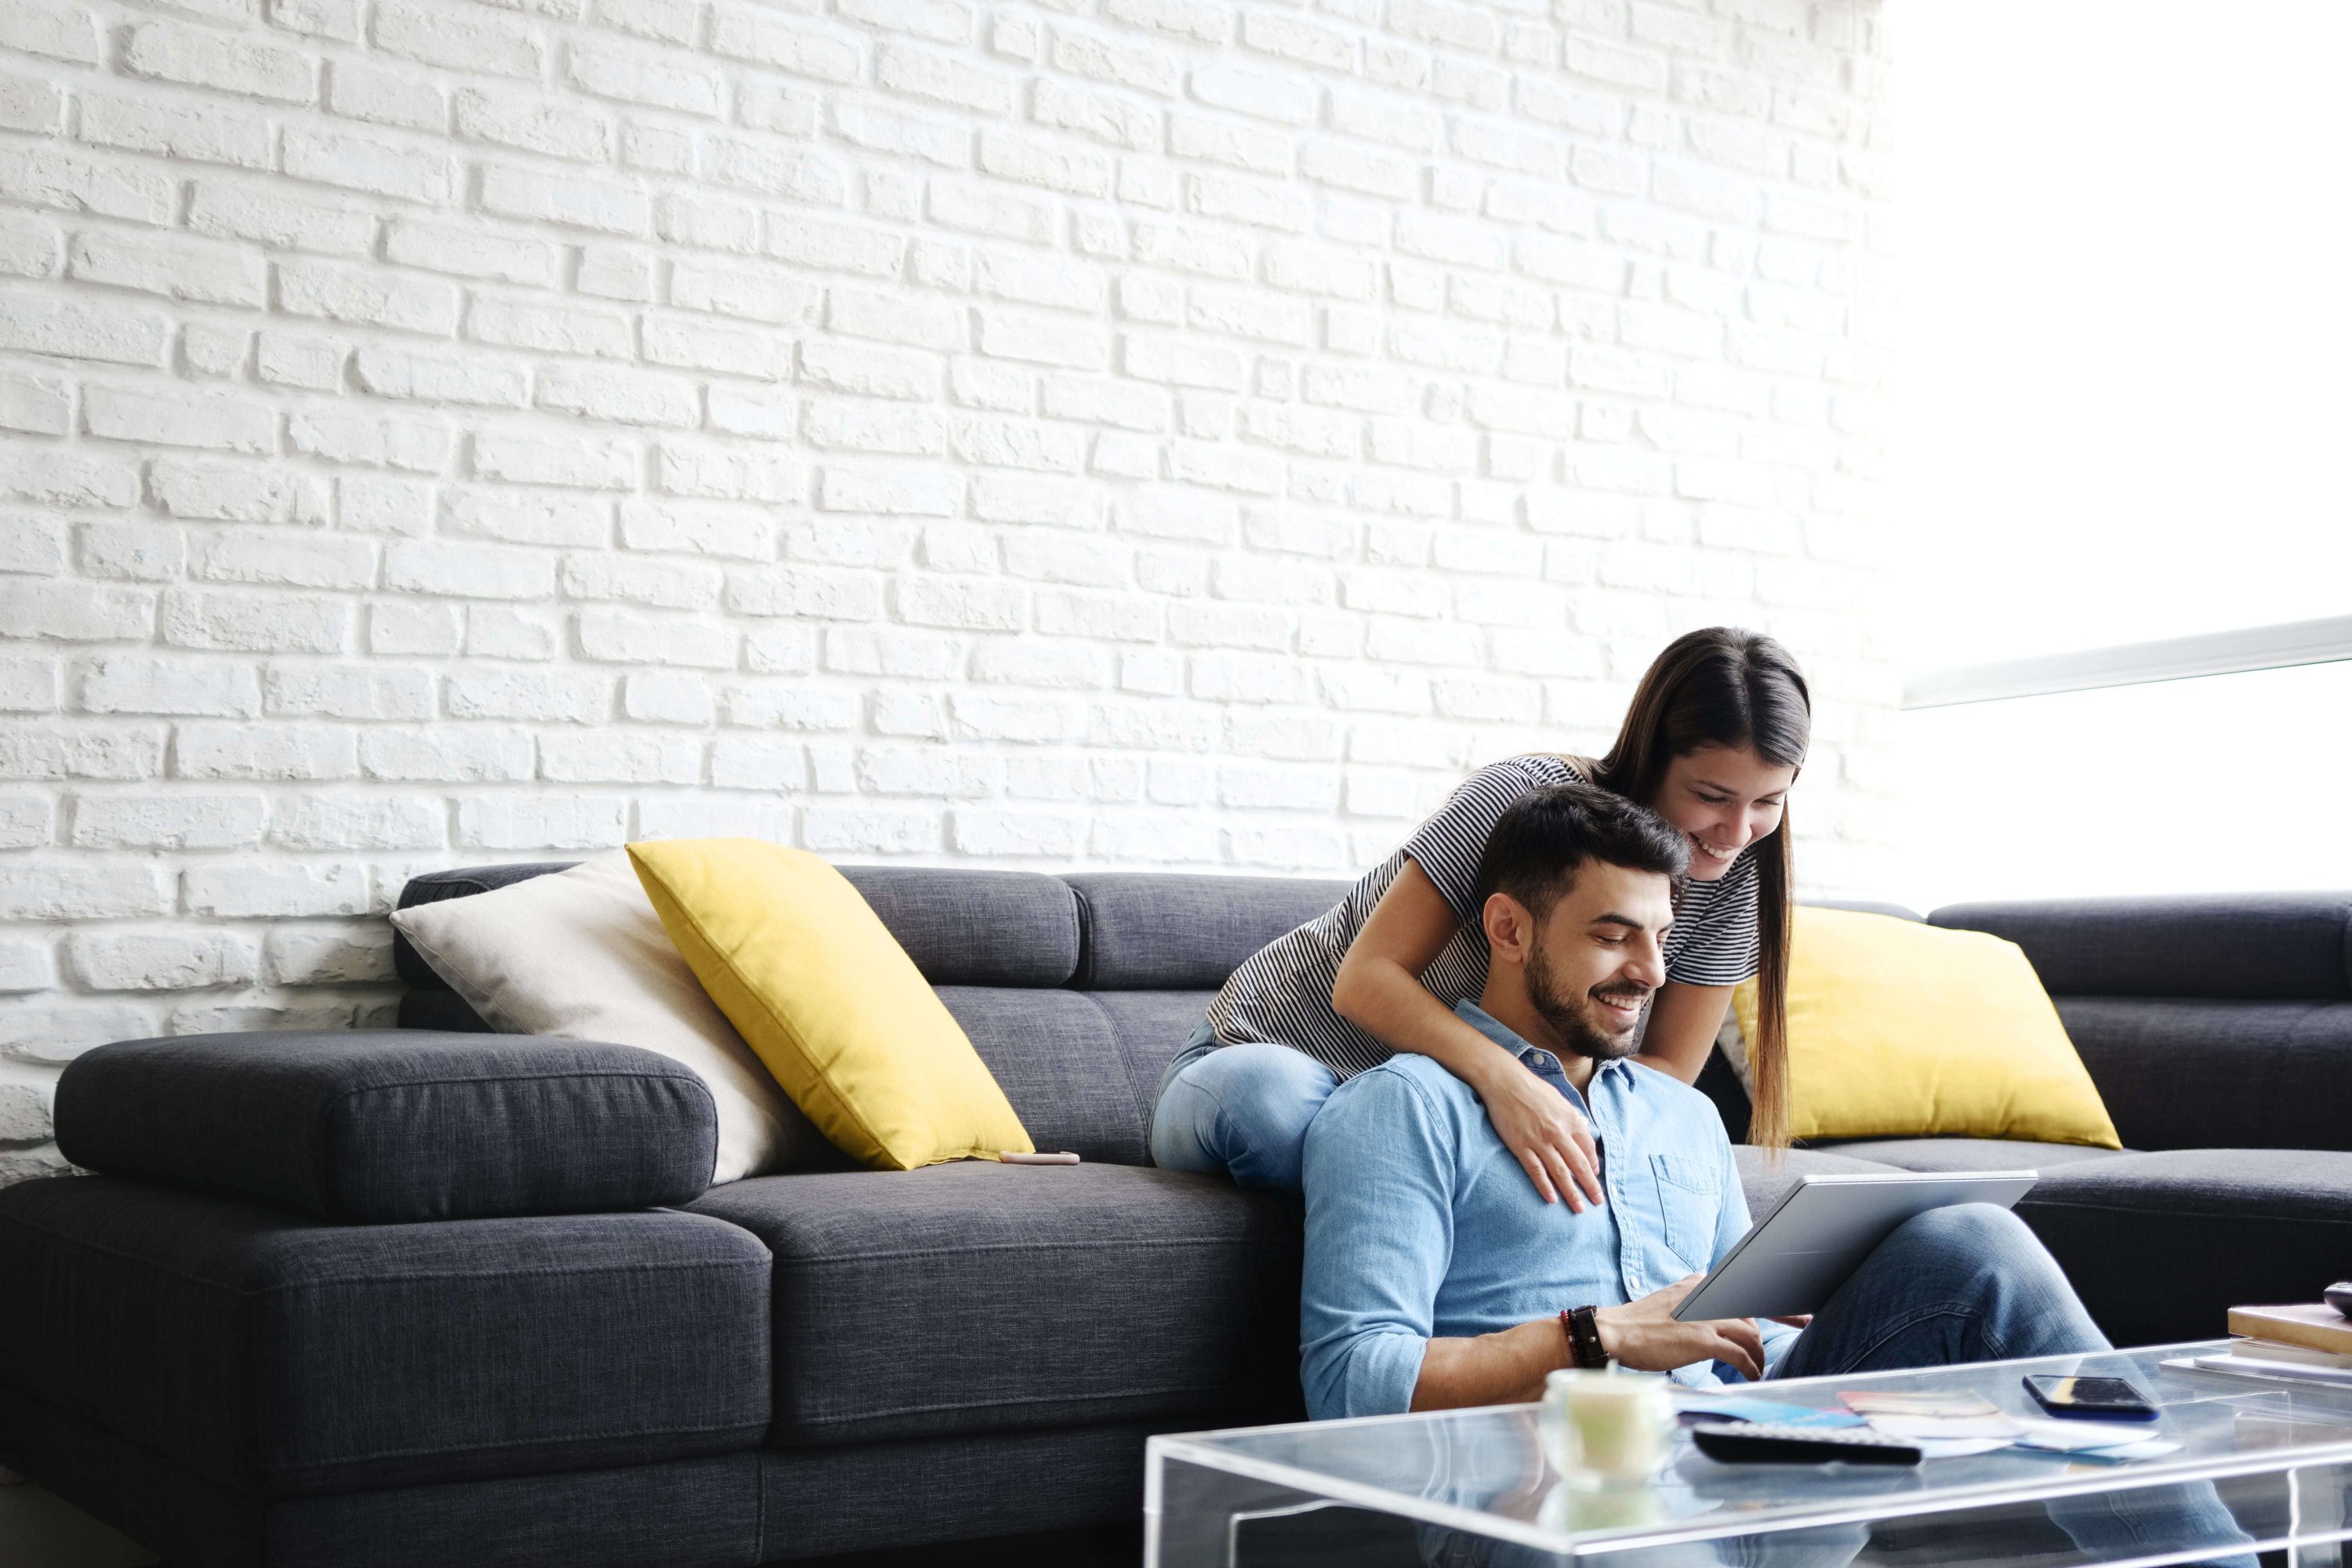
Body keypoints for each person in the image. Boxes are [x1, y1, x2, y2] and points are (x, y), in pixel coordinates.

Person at [1299, 785, 2254, 1568]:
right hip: (1564, 1496)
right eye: (1612, 934)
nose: (1649, 970)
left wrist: (1814, 1309)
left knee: (1976, 1240)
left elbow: (1737, 1333)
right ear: (1508, 927)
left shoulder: (1681, 1113)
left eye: (1661, 938)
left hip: (1758, 1461)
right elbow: (1350, 1382)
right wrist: (1595, 1336)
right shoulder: (1402, 1108)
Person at [1150, 626, 1807, 1200]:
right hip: (1282, 1059)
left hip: (1441, 1113)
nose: (1737, 830)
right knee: (1281, 1113)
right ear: (1652, 754)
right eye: (1713, 796)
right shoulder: (1522, 800)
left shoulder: (1737, 882)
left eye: (1768, 802)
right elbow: (1366, 980)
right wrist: (1509, 1085)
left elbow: (1665, 1076)